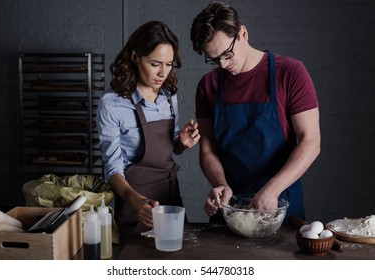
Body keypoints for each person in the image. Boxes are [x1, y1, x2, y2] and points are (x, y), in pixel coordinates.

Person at [190, 2, 320, 222]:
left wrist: (272, 190)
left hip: (280, 203)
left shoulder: (290, 73)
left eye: (227, 54)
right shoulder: (208, 85)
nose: (222, 65)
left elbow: (311, 141)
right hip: (230, 208)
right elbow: (208, 150)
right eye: (213, 59)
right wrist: (220, 184)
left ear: (243, 33)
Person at [97, 21, 200, 241]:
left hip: (170, 197)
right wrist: (138, 202)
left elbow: (168, 147)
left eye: (169, 64)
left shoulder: (168, 95)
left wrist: (181, 143)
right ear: (135, 57)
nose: (163, 72)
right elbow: (112, 168)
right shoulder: (112, 103)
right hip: (134, 202)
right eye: (155, 64)